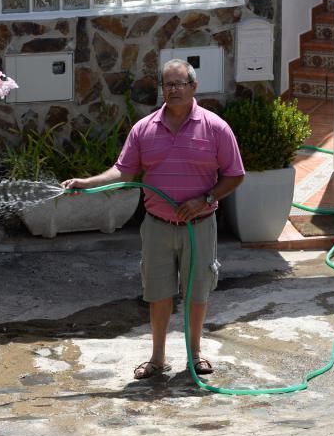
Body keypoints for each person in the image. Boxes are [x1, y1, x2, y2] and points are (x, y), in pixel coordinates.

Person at [61, 59, 245, 380]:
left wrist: (205, 198)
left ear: (193, 87)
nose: (173, 90)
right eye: (167, 84)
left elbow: (235, 175)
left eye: (179, 84)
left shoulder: (215, 128)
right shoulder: (144, 129)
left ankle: (195, 354)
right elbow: (124, 171)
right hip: (157, 226)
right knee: (158, 294)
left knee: (196, 293)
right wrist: (86, 183)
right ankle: (158, 358)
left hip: (198, 226)